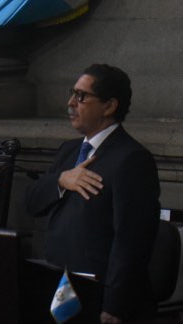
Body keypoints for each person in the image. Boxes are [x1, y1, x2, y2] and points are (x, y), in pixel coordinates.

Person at [26, 64, 160, 323]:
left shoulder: (132, 159)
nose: (70, 103)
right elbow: (32, 203)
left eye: (81, 96)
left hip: (100, 300)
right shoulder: (68, 151)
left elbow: (132, 241)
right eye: (72, 93)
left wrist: (115, 306)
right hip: (60, 288)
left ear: (109, 106)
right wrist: (62, 179)